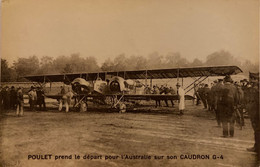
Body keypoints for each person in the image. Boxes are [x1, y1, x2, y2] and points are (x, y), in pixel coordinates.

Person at [246, 81, 259, 156]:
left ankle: (257, 147)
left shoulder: (256, 93)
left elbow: (253, 104)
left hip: (256, 115)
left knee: (257, 130)